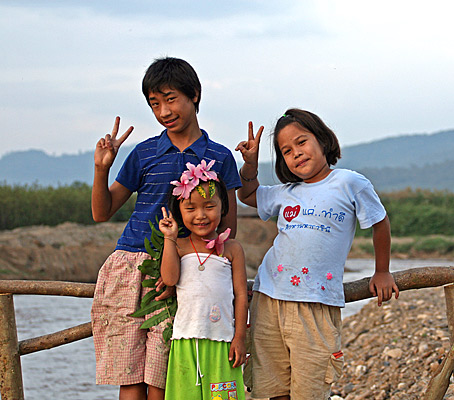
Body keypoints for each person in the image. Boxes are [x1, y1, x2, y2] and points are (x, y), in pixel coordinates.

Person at [91, 57, 241, 400]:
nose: (163, 111)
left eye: (170, 99)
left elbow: (226, 231)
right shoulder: (144, 153)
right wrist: (101, 169)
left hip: (183, 269)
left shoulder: (219, 157)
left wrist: (182, 271)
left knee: (163, 378)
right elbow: (102, 212)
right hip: (130, 265)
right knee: (129, 378)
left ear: (194, 95)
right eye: (154, 103)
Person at [235, 108, 400, 400]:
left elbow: (380, 222)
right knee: (271, 385)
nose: (296, 153)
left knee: (310, 387)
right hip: (269, 298)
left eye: (302, 142)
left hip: (316, 302)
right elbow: (247, 195)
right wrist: (250, 165)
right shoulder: (286, 192)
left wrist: (382, 271)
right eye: (286, 151)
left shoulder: (350, 183)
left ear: (322, 140)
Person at [159, 164, 247, 400]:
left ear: (222, 207)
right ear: (179, 212)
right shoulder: (179, 246)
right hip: (185, 340)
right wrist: (169, 238)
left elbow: (240, 295)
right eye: (190, 208)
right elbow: (169, 279)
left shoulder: (232, 249)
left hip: (223, 341)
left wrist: (239, 337)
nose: (200, 215)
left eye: (209, 206)